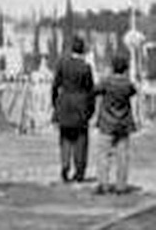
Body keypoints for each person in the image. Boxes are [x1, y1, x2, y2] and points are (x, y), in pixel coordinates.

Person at [51, 35, 96, 182]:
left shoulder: (62, 64)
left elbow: (55, 86)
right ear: (83, 50)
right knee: (80, 140)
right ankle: (79, 170)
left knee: (65, 137)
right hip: (81, 105)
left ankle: (65, 164)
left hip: (64, 103)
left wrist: (55, 104)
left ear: (71, 49)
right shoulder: (86, 68)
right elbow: (90, 91)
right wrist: (91, 109)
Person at [94, 54, 139, 195]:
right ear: (125, 68)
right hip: (124, 123)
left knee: (104, 155)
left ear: (113, 67)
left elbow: (95, 90)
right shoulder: (127, 84)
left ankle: (103, 184)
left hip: (107, 123)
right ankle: (121, 185)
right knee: (122, 156)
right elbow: (133, 91)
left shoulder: (106, 82)